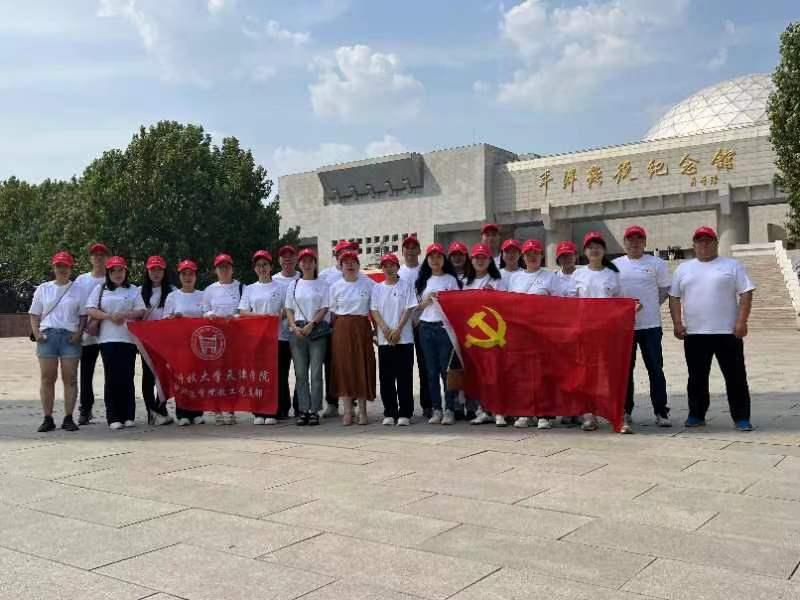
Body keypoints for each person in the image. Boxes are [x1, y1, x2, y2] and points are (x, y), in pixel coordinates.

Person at [669, 226, 756, 432]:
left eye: (708, 240)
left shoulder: (732, 265)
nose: (704, 244)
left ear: (716, 243)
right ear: (693, 245)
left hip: (728, 332)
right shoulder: (683, 269)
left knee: (735, 377)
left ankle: (741, 417)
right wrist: (677, 323)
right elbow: (674, 297)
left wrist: (742, 321)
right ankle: (696, 415)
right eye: (700, 241)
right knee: (696, 378)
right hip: (695, 333)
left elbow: (746, 293)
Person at [613, 225, 672, 428]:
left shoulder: (656, 263)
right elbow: (611, 293)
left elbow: (664, 291)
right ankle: (625, 410)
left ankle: (661, 411)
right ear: (624, 242)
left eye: (639, 239)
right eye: (630, 239)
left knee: (655, 369)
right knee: (625, 371)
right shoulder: (615, 265)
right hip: (624, 328)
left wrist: (649, 305)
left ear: (645, 242)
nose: (634, 242)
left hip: (650, 326)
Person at [573, 232, 630, 433]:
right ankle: (589, 415)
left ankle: (617, 414)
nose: (594, 250)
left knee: (611, 373)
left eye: (598, 246)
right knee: (587, 373)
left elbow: (620, 302)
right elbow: (570, 304)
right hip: (585, 332)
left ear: (604, 250)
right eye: (590, 247)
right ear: (585, 251)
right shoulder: (578, 275)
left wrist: (631, 308)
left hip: (607, 332)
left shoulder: (612, 274)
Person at [85, 256, 146, 430]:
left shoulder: (133, 289)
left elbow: (141, 311)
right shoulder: (101, 289)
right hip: (107, 339)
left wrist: (125, 314)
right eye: (114, 271)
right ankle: (113, 416)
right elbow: (90, 309)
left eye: (121, 270)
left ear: (126, 272)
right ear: (108, 273)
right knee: (112, 377)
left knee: (127, 376)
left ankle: (128, 415)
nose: (118, 274)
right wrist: (108, 316)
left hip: (128, 338)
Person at [29, 251, 85, 432]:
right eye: (59, 266)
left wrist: (79, 332)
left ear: (71, 268)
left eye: (66, 266)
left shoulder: (78, 289)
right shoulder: (43, 288)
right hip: (48, 336)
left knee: (70, 378)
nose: (62, 269)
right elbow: (34, 313)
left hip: (70, 336)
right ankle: (48, 417)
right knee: (47, 377)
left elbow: (83, 315)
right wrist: (36, 332)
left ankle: (68, 417)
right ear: (53, 268)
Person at [505, 239, 558, 429]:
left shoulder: (550, 276)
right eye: (528, 254)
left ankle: (544, 414)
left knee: (543, 374)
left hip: (543, 332)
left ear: (542, 255)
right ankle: (525, 412)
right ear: (523, 256)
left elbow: (560, 304)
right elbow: (509, 305)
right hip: (521, 334)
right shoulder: (515, 278)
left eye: (536, 253)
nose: (532, 257)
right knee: (523, 374)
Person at [415, 243, 462, 425]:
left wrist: (445, 300)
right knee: (431, 371)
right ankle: (436, 408)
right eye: (432, 257)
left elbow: (458, 304)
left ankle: (449, 408)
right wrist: (427, 301)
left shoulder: (450, 280)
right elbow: (416, 306)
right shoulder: (423, 280)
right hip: (426, 327)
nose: (435, 260)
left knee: (445, 370)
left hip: (444, 328)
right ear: (427, 260)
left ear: (444, 259)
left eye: (439, 257)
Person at [239, 250, 287, 425]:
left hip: (277, 337)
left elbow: (287, 309)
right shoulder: (249, 289)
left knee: (275, 375)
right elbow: (243, 311)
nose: (262, 268)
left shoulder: (280, 287)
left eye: (265, 265)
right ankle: (258, 411)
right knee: (259, 375)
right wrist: (260, 318)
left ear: (271, 267)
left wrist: (275, 318)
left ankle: (274, 411)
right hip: (256, 339)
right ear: (255, 268)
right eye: (259, 265)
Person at [328, 250, 376, 425]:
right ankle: (348, 410)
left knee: (362, 365)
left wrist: (377, 331)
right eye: (345, 262)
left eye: (353, 261)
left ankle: (363, 411)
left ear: (358, 264)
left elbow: (374, 309)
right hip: (342, 327)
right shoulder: (335, 287)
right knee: (344, 367)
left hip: (362, 327)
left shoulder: (369, 284)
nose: (349, 265)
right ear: (340, 266)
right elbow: (333, 312)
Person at [371, 253, 418, 426]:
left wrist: (398, 329)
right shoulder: (377, 288)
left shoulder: (406, 286)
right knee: (386, 378)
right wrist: (384, 329)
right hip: (385, 340)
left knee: (404, 377)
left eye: (392, 265)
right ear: (382, 269)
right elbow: (374, 310)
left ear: (397, 267)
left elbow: (409, 309)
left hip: (404, 338)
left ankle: (405, 413)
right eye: (385, 265)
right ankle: (390, 412)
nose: (389, 268)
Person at [462, 243, 505, 426]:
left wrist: (494, 295)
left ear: (490, 260)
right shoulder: (465, 282)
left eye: (484, 258)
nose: (480, 261)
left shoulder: (497, 280)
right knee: (478, 373)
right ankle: (482, 409)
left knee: (494, 373)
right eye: (476, 258)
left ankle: (498, 410)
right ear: (471, 260)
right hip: (473, 336)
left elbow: (506, 305)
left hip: (493, 335)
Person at [286, 248, 329, 426]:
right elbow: (289, 308)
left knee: (316, 373)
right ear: (299, 263)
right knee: (301, 373)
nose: (307, 264)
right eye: (304, 261)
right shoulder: (294, 284)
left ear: (315, 263)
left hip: (316, 331)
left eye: (310, 261)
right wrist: (293, 326)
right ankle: (303, 409)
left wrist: (312, 324)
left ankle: (314, 410)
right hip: (297, 332)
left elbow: (325, 307)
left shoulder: (323, 284)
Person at [163, 259, 206, 426]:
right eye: (184, 274)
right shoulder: (173, 296)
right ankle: (182, 413)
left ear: (196, 276)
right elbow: (165, 320)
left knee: (198, 378)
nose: (187, 277)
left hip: (198, 344)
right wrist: (174, 318)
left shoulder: (203, 295)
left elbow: (206, 316)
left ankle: (198, 412)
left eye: (191, 274)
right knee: (181, 379)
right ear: (179, 276)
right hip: (179, 344)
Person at [202, 253, 242, 425]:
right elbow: (204, 311)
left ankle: (231, 410)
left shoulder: (241, 287)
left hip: (235, 338)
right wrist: (210, 314)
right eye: (220, 267)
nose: (224, 270)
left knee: (231, 375)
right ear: (216, 270)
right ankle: (217, 410)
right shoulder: (210, 290)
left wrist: (236, 317)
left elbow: (245, 309)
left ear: (232, 269)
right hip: (215, 339)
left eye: (227, 267)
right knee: (216, 375)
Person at [319, 240, 355, 418]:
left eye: (350, 252)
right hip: (329, 326)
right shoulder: (325, 275)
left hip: (351, 327)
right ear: (336, 255)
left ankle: (352, 402)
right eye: (343, 252)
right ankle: (332, 402)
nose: (346, 255)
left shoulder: (357, 273)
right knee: (331, 365)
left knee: (351, 364)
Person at [75, 242, 109, 425]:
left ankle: (112, 408)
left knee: (111, 373)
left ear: (107, 258)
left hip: (108, 332)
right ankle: (85, 409)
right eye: (95, 255)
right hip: (87, 332)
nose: (98, 258)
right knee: (86, 372)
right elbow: (77, 305)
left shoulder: (113, 278)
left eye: (102, 255)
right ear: (90, 258)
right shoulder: (82, 280)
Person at [139, 255, 175, 426]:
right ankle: (150, 411)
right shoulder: (140, 291)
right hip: (146, 340)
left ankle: (161, 407)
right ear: (147, 271)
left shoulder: (172, 291)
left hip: (166, 339)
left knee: (164, 375)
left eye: (159, 269)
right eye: (153, 269)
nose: (156, 273)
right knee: (148, 375)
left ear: (164, 271)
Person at [399, 235, 431, 419]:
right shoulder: (398, 273)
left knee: (425, 366)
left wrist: (421, 318)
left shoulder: (426, 272)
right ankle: (406, 407)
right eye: (407, 247)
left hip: (422, 324)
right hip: (403, 327)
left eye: (414, 247)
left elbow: (430, 298)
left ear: (419, 250)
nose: (410, 250)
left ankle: (428, 404)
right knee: (404, 369)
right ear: (402, 251)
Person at [553, 240, 582, 427]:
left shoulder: (583, 275)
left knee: (579, 371)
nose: (566, 259)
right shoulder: (553, 278)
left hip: (580, 330)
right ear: (558, 259)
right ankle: (565, 409)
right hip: (560, 332)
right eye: (563, 256)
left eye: (569, 255)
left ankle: (579, 409)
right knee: (562, 372)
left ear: (575, 256)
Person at [272, 245, 301, 420]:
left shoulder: (302, 278)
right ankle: (282, 407)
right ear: (279, 260)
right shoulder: (273, 280)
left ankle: (300, 406)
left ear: (296, 259)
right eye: (284, 256)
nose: (287, 259)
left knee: (300, 373)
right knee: (281, 373)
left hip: (299, 333)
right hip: (279, 335)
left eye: (291, 256)